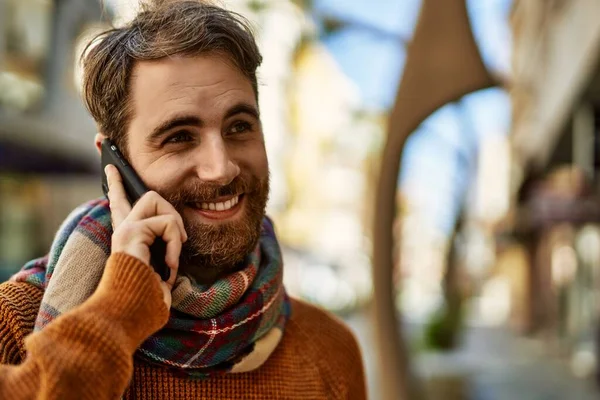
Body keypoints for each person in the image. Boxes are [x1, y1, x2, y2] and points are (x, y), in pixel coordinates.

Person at [0, 1, 367, 399]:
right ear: (115, 164)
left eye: (239, 127)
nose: (221, 168)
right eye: (179, 137)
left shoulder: (331, 349)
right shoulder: (13, 323)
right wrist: (119, 312)